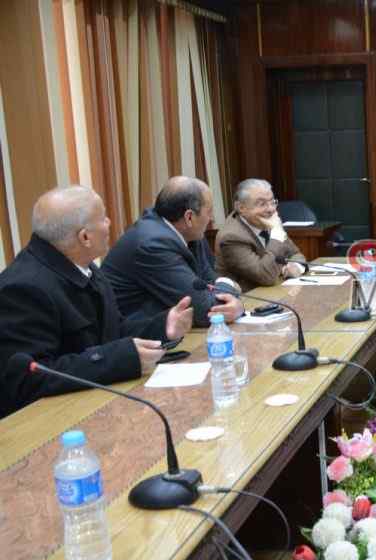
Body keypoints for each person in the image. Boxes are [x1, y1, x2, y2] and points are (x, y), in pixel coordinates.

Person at [0, 186, 193, 419]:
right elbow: (29, 379)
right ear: (84, 237)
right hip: (51, 420)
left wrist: (163, 326)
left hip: (97, 405)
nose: (109, 223)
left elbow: (113, 331)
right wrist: (117, 359)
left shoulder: (84, 267)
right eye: (102, 218)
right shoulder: (23, 288)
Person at [103, 176, 244, 327]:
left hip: (171, 328)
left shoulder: (189, 233)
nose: (212, 218)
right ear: (189, 217)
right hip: (135, 332)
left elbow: (208, 282)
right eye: (209, 212)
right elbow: (204, 310)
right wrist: (231, 286)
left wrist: (231, 301)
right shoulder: (152, 245)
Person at [215, 179, 306, 292]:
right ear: (241, 207)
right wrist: (277, 234)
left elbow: (296, 254)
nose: (271, 209)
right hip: (248, 299)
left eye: (272, 202)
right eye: (262, 204)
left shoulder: (265, 222)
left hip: (276, 292)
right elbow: (266, 276)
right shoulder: (231, 237)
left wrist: (295, 266)